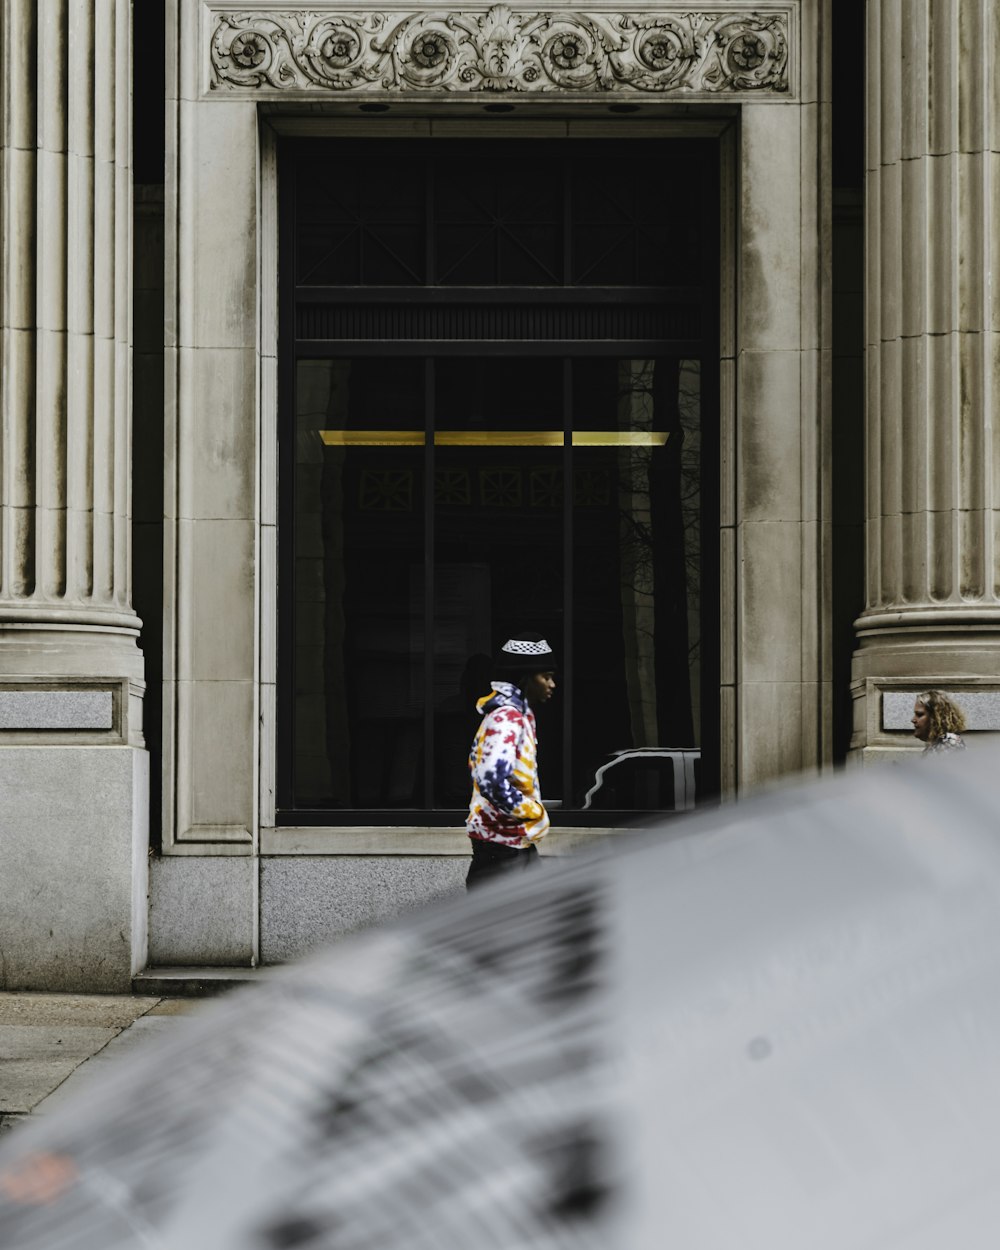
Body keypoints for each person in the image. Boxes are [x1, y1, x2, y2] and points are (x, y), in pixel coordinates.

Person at [465, 632, 557, 889]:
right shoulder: (507, 719)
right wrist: (534, 812)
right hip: (502, 849)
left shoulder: (517, 716)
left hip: (512, 844)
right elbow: (492, 781)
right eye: (546, 677)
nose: (552, 685)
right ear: (525, 678)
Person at [911, 689, 966, 754]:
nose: (913, 720)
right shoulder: (937, 743)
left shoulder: (949, 743)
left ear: (936, 717)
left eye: (919, 715)